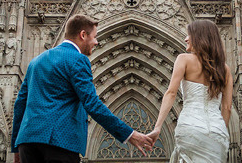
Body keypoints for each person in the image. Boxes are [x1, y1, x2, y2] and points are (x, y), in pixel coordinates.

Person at [11, 14, 153, 163]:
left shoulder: (36, 61)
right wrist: (129, 134)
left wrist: (16, 148)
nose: (96, 42)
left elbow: (19, 106)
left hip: (27, 143)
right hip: (59, 142)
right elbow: (92, 104)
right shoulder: (78, 60)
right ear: (83, 35)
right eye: (94, 37)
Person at [147, 19, 232, 163]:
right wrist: (219, 133)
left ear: (200, 37)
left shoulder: (183, 59)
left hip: (190, 127)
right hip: (218, 131)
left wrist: (157, 127)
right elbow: (226, 108)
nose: (186, 38)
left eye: (189, 35)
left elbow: (171, 93)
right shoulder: (224, 69)